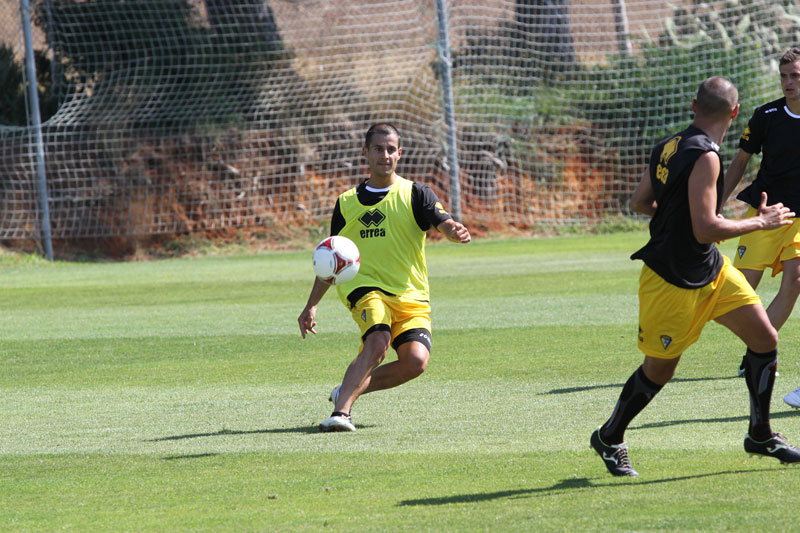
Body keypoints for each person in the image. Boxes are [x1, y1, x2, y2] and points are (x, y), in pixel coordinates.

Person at [590, 77, 800, 477]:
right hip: (671, 278)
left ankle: (760, 433)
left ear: (693, 105)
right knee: (660, 370)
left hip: (711, 268)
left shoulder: (668, 145)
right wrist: (760, 221)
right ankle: (609, 436)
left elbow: (639, 202)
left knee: (764, 338)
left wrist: (676, 221)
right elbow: (706, 228)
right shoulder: (706, 155)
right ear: (735, 113)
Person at [298, 123, 471, 432]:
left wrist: (454, 232)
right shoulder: (346, 203)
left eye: (391, 149)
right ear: (366, 153)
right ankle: (341, 414)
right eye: (378, 148)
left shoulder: (416, 193)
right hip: (364, 288)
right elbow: (331, 257)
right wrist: (311, 305)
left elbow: (442, 222)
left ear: (399, 154)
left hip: (410, 293)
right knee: (378, 340)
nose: (385, 155)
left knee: (415, 362)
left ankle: (347, 390)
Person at [722, 48, 800, 409]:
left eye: (795, 75)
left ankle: (758, 350)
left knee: (794, 281)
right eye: (784, 76)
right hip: (766, 214)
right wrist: (716, 206)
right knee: (739, 291)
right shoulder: (766, 115)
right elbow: (740, 162)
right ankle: (757, 343)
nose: (788, 82)